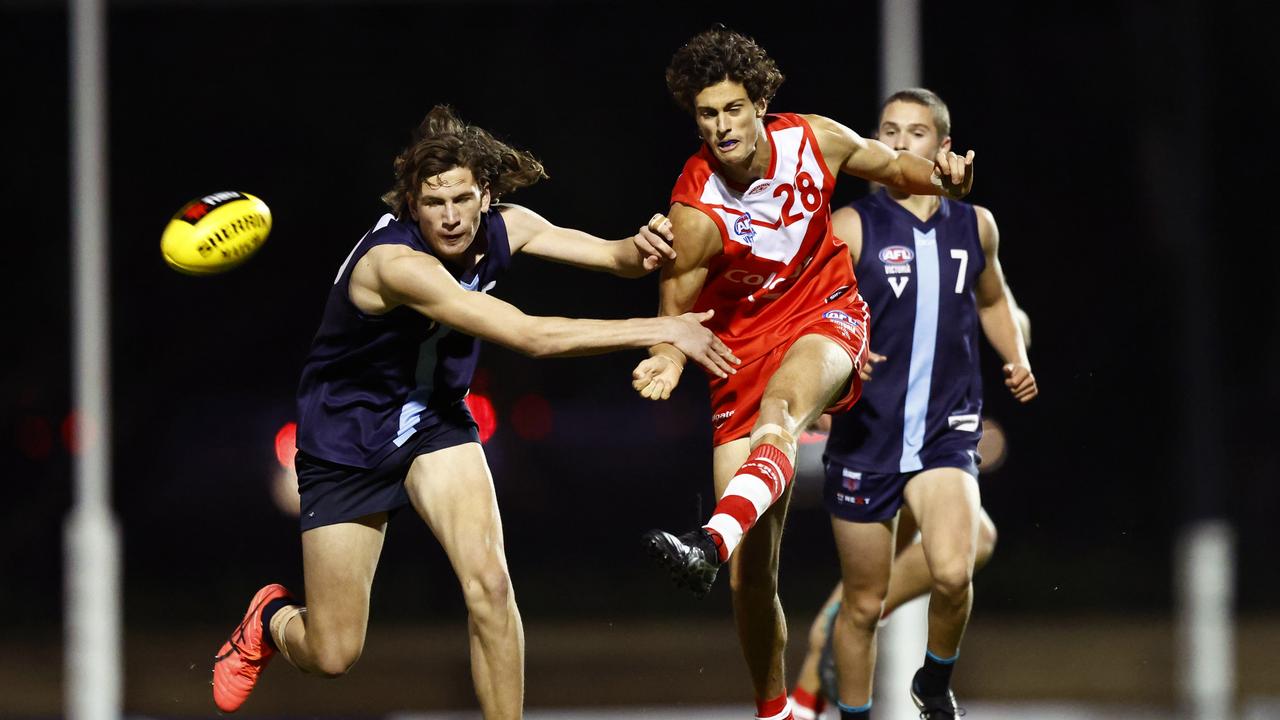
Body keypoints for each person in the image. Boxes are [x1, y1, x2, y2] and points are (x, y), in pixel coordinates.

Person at [210, 105, 738, 718]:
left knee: (489, 585)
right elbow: (531, 336)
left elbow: (617, 257)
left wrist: (645, 245)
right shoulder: (395, 265)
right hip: (346, 443)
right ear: (412, 203)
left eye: (463, 198)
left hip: (436, 422)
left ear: (486, 194)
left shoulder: (506, 226)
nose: (452, 216)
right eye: (435, 203)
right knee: (332, 652)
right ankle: (269, 617)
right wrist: (666, 328)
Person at [630, 30, 974, 720]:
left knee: (781, 415)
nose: (721, 127)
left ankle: (708, 539)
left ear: (761, 102)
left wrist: (943, 176)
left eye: (732, 109)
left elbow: (895, 169)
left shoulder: (816, 140)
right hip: (737, 353)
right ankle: (776, 709)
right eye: (706, 115)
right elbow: (675, 305)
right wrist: (667, 357)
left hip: (827, 315)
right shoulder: (693, 212)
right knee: (750, 582)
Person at [785, 88, 1038, 720]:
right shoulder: (853, 225)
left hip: (945, 434)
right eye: (888, 131)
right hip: (867, 438)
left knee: (958, 566)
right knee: (861, 608)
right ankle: (842, 704)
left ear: (944, 146)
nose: (899, 144)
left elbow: (993, 299)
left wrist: (1016, 354)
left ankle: (934, 681)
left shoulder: (974, 224)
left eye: (915, 133)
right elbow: (802, 315)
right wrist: (831, 365)